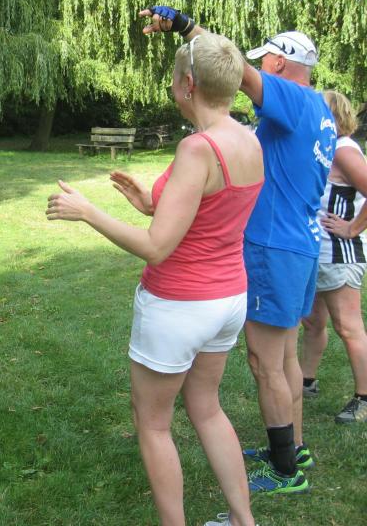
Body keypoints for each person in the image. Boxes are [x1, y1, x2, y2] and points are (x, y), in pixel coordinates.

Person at [47, 32, 262, 526]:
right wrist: (151, 202)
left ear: (188, 84)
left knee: (153, 424)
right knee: (207, 408)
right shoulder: (247, 139)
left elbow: (156, 247)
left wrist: (88, 212)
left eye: (173, 77)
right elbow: (214, 210)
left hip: (180, 305)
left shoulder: (197, 148)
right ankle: (243, 520)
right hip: (228, 298)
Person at [140, 7, 337, 496]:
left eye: (265, 59)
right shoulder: (320, 109)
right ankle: (293, 447)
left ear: (280, 64)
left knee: (265, 362)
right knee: (284, 355)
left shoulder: (291, 97)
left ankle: (285, 470)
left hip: (274, 246)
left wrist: (185, 27)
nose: (258, 66)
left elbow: (226, 67)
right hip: (301, 243)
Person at [301, 90, 367, 423]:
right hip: (319, 252)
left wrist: (353, 228)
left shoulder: (343, 150)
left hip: (340, 254)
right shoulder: (327, 148)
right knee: (313, 321)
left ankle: (364, 399)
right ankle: (306, 381)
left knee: (348, 327)